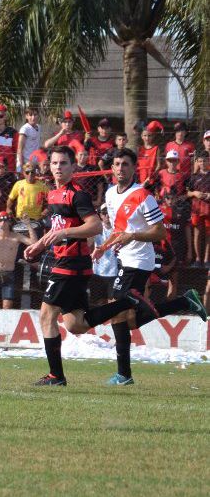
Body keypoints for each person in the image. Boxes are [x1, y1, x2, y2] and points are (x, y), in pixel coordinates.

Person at [22, 146, 155, 386]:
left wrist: (65, 232)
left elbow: (94, 226)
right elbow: (56, 228)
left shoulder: (77, 194)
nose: (58, 168)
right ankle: (129, 302)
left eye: (63, 163)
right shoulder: (53, 194)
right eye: (54, 163)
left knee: (46, 315)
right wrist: (39, 245)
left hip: (72, 264)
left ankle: (56, 376)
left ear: (73, 167)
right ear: (48, 167)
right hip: (65, 261)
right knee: (76, 324)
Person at [101, 148, 207, 385]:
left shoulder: (143, 195)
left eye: (125, 164)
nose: (120, 168)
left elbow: (159, 231)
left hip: (139, 261)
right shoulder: (109, 194)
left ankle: (124, 375)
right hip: (124, 259)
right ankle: (185, 302)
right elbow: (119, 230)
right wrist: (103, 247)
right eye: (117, 164)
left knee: (117, 311)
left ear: (134, 168)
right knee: (126, 320)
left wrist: (133, 236)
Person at [91, 204, 120, 303]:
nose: (107, 215)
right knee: (99, 304)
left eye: (109, 213)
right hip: (97, 272)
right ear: (100, 215)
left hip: (114, 271)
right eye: (104, 213)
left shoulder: (119, 229)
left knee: (112, 306)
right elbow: (89, 242)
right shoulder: (96, 228)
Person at [16, 107, 41, 172]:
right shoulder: (25, 129)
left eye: (35, 115)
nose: (33, 117)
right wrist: (22, 167)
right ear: (26, 116)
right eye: (30, 115)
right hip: (26, 164)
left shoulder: (39, 127)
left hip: (35, 163)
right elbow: (19, 149)